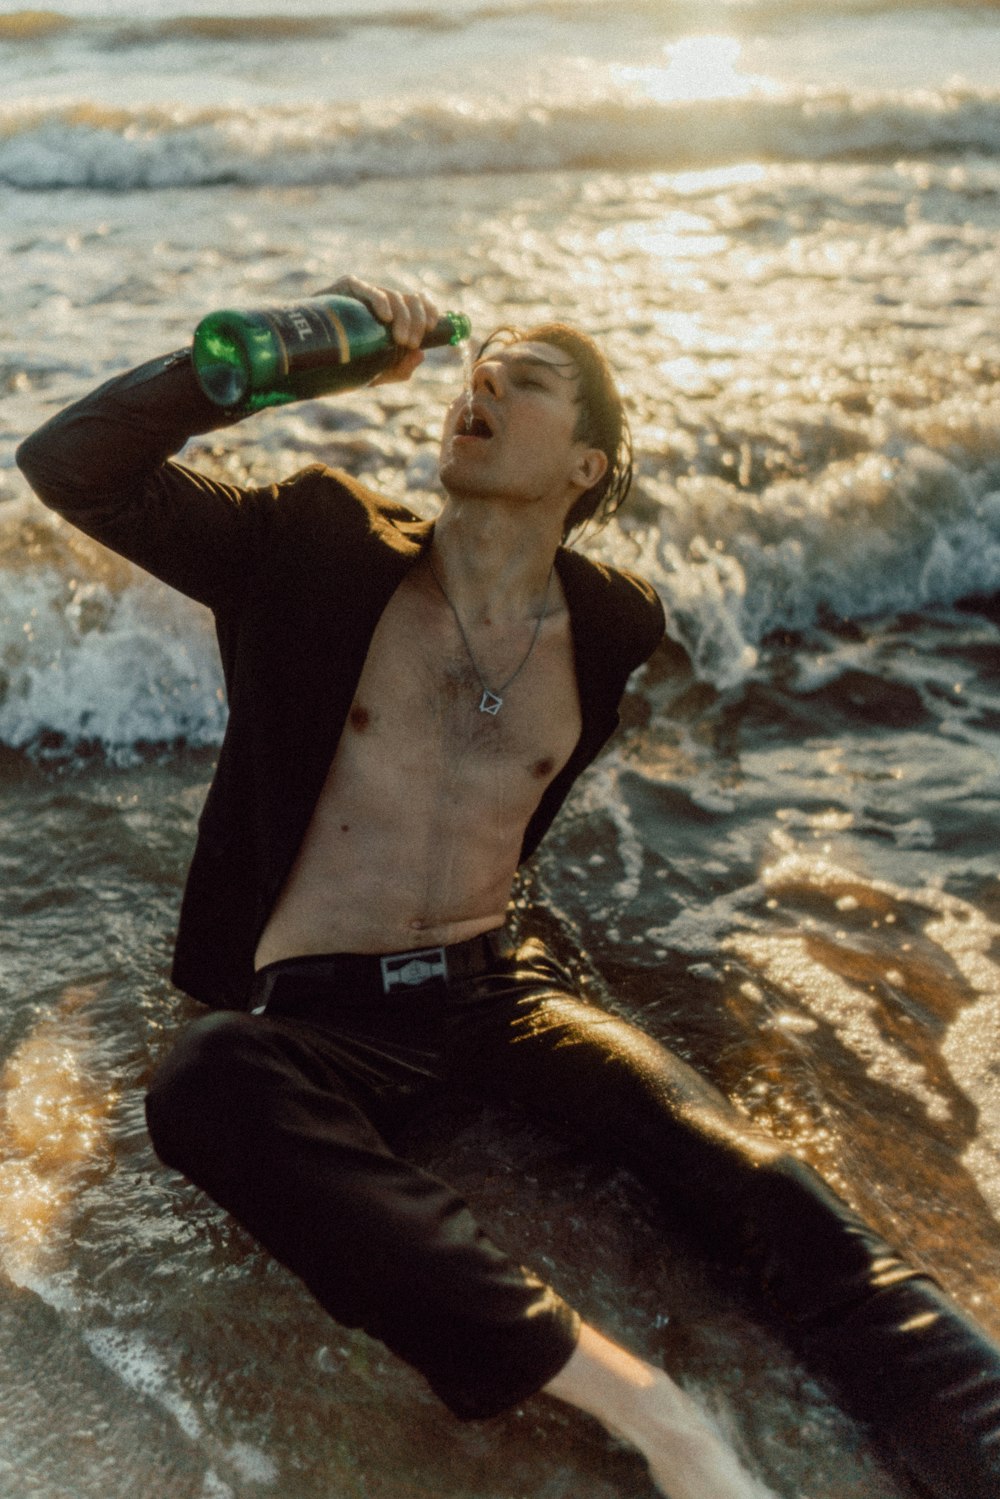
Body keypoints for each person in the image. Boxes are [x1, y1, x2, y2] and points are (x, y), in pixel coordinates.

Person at [15, 277, 1000, 1499]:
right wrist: (271, 368)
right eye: (481, 371)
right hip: (320, 1018)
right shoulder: (311, 546)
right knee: (206, 1081)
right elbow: (69, 463)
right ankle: (643, 1404)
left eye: (523, 379)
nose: (478, 383)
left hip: (501, 997)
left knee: (749, 1178)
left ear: (585, 464)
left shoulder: (610, 623)